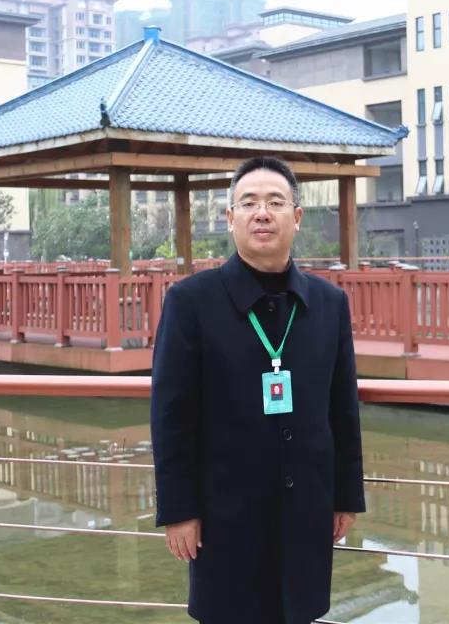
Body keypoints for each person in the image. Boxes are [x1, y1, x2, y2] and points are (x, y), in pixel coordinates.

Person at [150, 156, 365, 624]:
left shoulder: (328, 303)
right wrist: (179, 510)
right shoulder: (191, 301)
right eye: (248, 203)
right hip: (223, 512)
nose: (262, 213)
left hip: (307, 508)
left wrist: (346, 497)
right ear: (230, 218)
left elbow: (343, 410)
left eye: (275, 202)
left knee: (299, 611)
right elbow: (171, 415)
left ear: (297, 216)